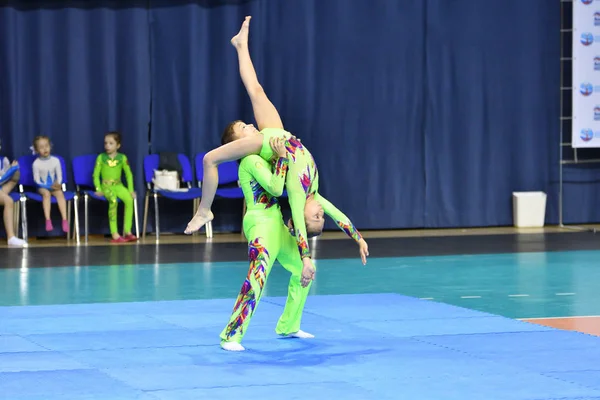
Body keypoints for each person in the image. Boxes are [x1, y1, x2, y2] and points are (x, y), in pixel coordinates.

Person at [186, 16, 368, 287]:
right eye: (321, 217)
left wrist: (306, 258)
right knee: (256, 89)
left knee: (210, 158)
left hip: (269, 143)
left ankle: (204, 210)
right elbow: (339, 215)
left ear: (301, 221)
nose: (320, 213)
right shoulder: (314, 193)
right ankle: (240, 45)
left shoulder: (297, 194)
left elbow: (297, 216)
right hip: (279, 134)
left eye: (314, 218)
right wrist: (358, 238)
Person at [221, 137, 319, 351]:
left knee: (303, 268)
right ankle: (231, 335)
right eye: (243, 128)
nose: (251, 127)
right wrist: (283, 157)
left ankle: (289, 325)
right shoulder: (250, 160)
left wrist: (292, 147)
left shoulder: (266, 158)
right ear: (237, 143)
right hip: (261, 223)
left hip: (276, 221)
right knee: (258, 275)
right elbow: (276, 188)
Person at [92, 131, 137, 243]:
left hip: (118, 185)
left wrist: (130, 190)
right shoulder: (101, 158)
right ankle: (115, 233)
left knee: (129, 200)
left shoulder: (122, 158)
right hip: (106, 186)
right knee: (113, 201)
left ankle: (127, 231)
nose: (107, 146)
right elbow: (96, 175)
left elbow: (129, 175)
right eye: (106, 143)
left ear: (118, 145)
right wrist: (98, 189)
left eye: (111, 143)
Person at [31, 135, 69, 233]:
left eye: (46, 146)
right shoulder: (36, 163)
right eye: (41, 147)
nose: (45, 149)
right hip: (42, 187)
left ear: (50, 146)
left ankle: (64, 220)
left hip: (53, 186)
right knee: (46, 194)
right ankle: (48, 220)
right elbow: (36, 180)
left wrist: (58, 183)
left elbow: (60, 175)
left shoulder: (56, 161)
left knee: (60, 194)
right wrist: (47, 186)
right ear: (36, 150)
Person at [0, 139, 26, 247]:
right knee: (8, 200)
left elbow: (4, 179)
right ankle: (11, 237)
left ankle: (11, 238)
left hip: (2, 188)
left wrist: (14, 171)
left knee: (15, 176)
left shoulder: (3, 160)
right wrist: (10, 170)